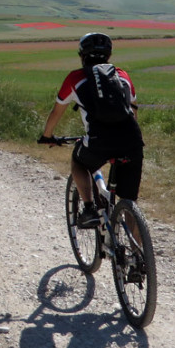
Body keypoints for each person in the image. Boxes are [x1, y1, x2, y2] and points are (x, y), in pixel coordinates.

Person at [38, 33, 144, 228]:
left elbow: (56, 111)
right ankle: (138, 255)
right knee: (129, 200)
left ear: (82, 55)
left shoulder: (75, 78)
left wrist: (47, 136)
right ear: (109, 55)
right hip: (132, 140)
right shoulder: (122, 75)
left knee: (78, 160)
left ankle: (88, 209)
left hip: (99, 140)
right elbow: (133, 109)